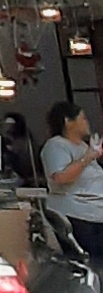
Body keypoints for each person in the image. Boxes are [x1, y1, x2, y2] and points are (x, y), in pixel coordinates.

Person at [42, 100, 103, 261]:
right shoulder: (56, 145)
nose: (86, 122)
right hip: (78, 216)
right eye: (82, 118)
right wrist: (87, 158)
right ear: (68, 121)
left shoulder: (83, 145)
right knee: (93, 263)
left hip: (95, 214)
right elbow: (60, 177)